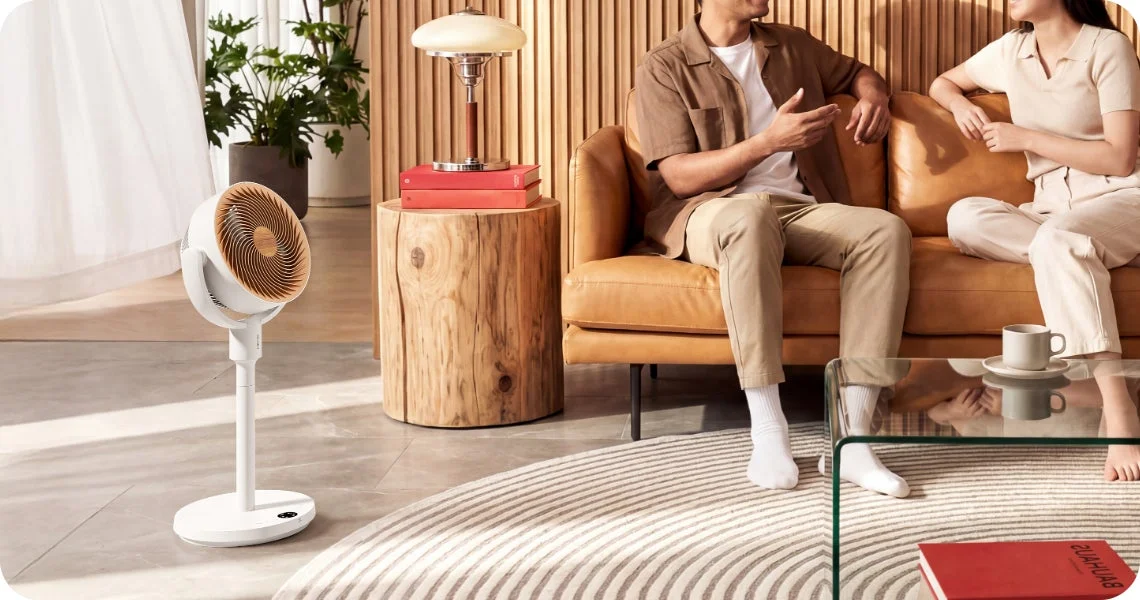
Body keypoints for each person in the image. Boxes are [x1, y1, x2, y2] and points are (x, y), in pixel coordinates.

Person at [635, 0, 911, 496]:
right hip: (712, 211)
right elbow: (677, 177)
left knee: (884, 231)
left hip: (797, 209)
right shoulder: (665, 64)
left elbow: (858, 72)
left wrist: (874, 97)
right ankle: (768, 430)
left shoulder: (791, 45)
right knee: (750, 214)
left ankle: (852, 436)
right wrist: (766, 142)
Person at [929, 0, 1140, 481]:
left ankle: (1118, 406)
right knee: (965, 217)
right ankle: (1084, 259)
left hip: (1123, 197)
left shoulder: (1108, 47)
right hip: (1050, 210)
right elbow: (943, 81)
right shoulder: (1012, 50)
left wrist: (1027, 137)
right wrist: (961, 105)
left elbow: (1120, 158)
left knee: (1059, 242)